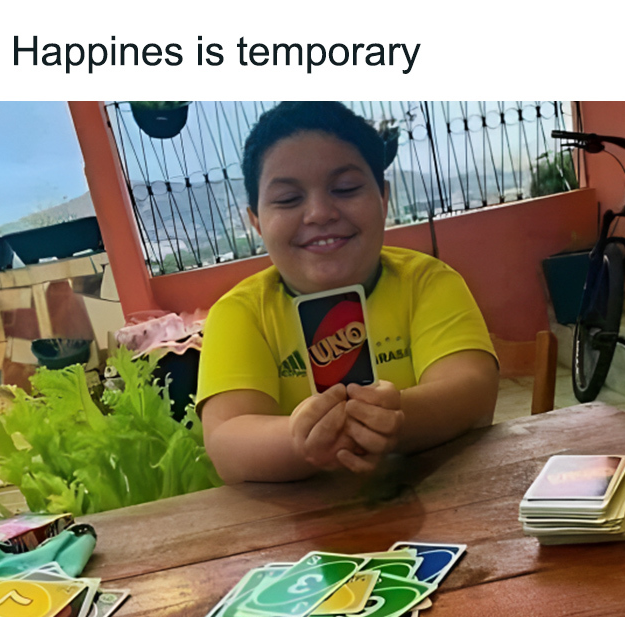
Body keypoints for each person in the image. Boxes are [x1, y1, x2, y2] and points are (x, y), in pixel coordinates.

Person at [196, 102, 498, 485]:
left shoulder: (428, 282)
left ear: (383, 199)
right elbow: (226, 441)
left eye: (345, 189)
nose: (319, 213)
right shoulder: (239, 313)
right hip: (301, 519)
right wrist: (299, 439)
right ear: (256, 221)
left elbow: (473, 390)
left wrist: (396, 417)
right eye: (288, 199)